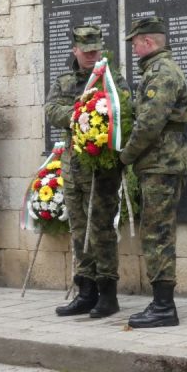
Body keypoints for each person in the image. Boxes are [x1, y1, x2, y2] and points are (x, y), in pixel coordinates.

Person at [47, 25, 130, 319]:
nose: (91, 55)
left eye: (95, 50)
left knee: (101, 230)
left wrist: (97, 115)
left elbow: (124, 110)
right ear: (75, 50)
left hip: (101, 169)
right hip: (73, 168)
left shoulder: (112, 78)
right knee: (79, 229)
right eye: (86, 51)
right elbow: (51, 110)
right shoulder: (65, 81)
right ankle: (86, 292)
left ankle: (108, 294)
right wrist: (79, 114)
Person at [119, 16, 187, 328]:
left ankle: (164, 307)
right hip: (159, 162)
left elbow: (149, 123)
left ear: (147, 41)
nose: (133, 48)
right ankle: (161, 303)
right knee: (156, 232)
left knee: (158, 234)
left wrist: (125, 155)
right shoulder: (156, 69)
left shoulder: (161, 72)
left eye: (135, 43)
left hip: (162, 163)